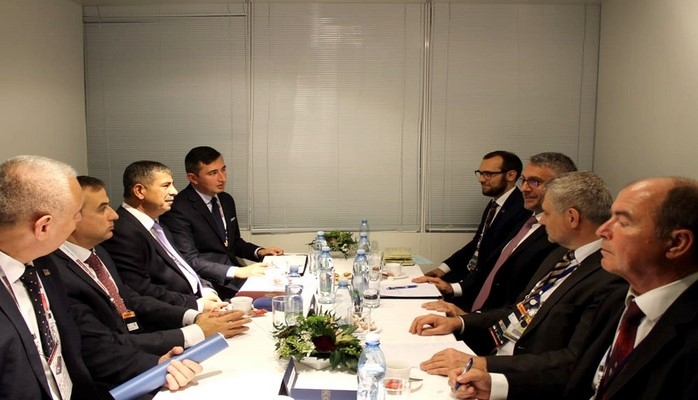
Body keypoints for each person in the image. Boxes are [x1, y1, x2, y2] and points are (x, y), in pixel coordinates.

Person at [450, 177, 698, 400]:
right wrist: (495, 385)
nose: (602, 230)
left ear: (676, 243)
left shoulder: (618, 289)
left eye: (623, 222)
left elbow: (570, 365)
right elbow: (583, 378)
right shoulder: (631, 301)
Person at [0, 155, 197, 399]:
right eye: (75, 214)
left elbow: (84, 347)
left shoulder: (41, 266)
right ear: (43, 227)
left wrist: (154, 365)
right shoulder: (49, 266)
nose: (77, 223)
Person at [35, 176, 252, 389]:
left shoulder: (97, 251)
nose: (114, 215)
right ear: (72, 218)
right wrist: (194, 333)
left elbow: (131, 299)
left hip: (144, 348)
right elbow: (100, 347)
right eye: (102, 209)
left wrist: (194, 316)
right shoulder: (55, 273)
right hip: (115, 377)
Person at [409, 172, 627, 381]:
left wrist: (482, 365)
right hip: (496, 357)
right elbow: (519, 309)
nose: (542, 221)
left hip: (520, 378)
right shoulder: (560, 255)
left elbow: (571, 362)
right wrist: (459, 322)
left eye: (547, 214)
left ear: (572, 217)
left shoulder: (608, 278)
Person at [422, 152, 576, 316]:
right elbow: (491, 260)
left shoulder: (554, 234)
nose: (524, 188)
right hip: (479, 306)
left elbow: (522, 300)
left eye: (534, 182)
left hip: (491, 318)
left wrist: (467, 320)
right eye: (524, 181)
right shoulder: (527, 220)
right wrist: (453, 288)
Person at [160, 146, 283, 298]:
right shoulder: (178, 208)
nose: (222, 178)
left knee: (285, 286)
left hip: (234, 273)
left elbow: (233, 242)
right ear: (193, 178)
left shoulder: (226, 200)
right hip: (209, 281)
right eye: (213, 173)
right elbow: (189, 260)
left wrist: (259, 251)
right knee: (271, 297)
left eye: (223, 170)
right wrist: (237, 271)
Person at [102, 160, 224, 310]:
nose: (174, 191)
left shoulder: (158, 225)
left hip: (200, 300)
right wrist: (197, 305)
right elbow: (142, 290)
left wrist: (206, 289)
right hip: (176, 312)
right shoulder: (123, 232)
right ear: (139, 191)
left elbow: (182, 267)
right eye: (166, 185)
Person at [415, 151, 530, 306]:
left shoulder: (521, 208)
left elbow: (497, 261)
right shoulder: (495, 204)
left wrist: (455, 288)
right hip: (467, 276)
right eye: (480, 173)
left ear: (511, 175)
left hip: (482, 287)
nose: (481, 179)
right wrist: (443, 269)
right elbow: (477, 243)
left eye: (488, 174)